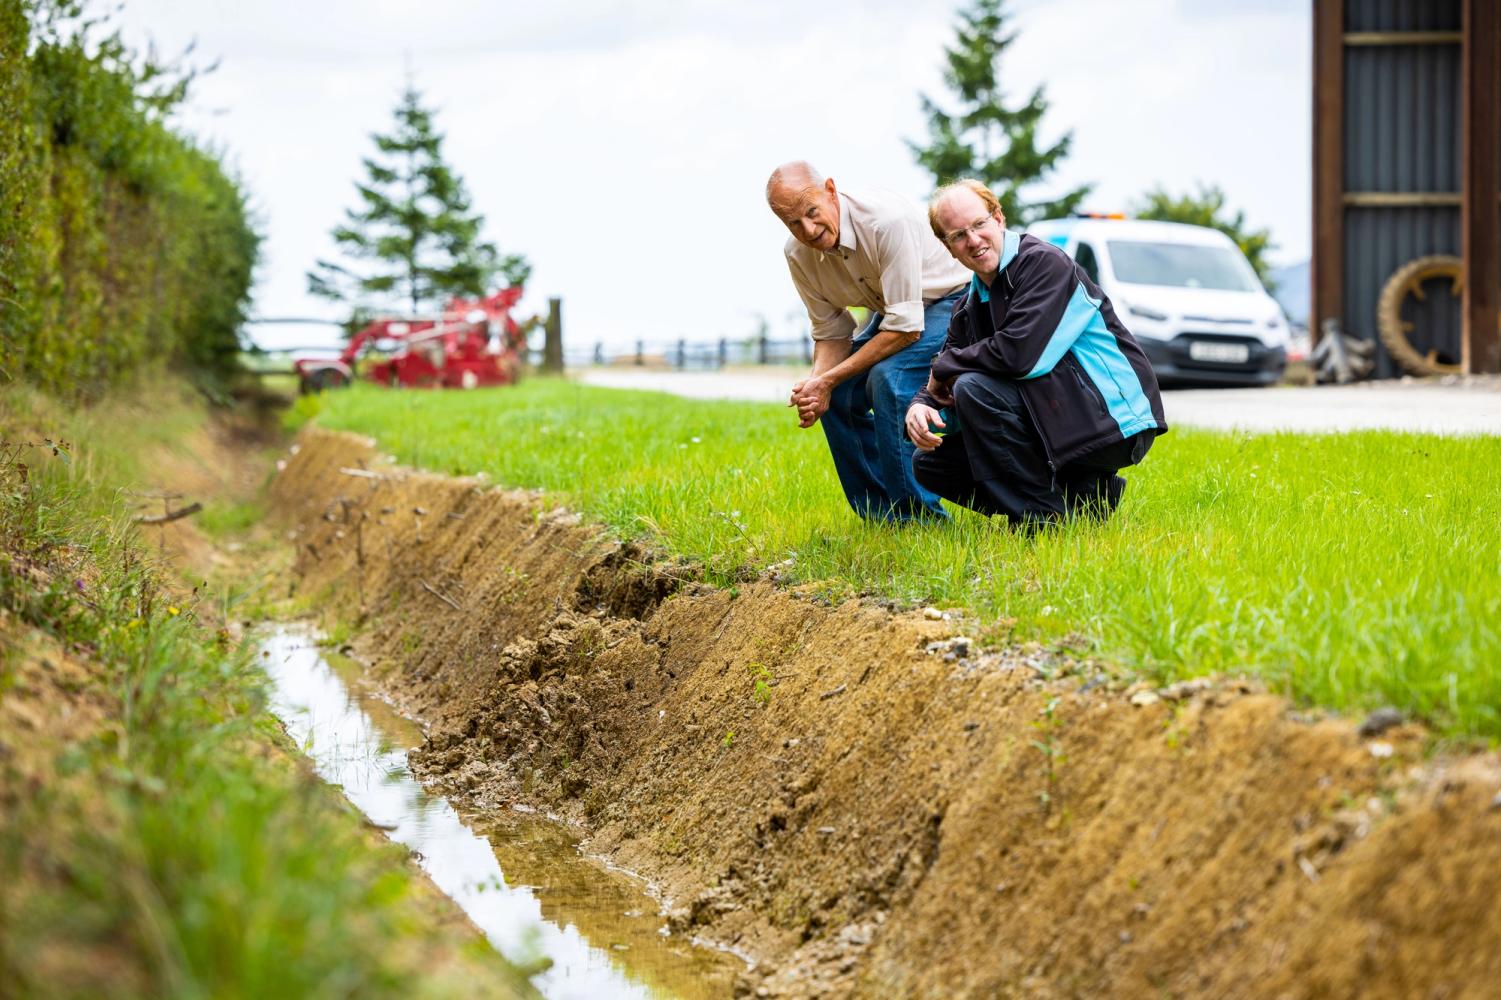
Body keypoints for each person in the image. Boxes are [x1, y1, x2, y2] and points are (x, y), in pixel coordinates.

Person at [904, 179, 1167, 527]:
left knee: (974, 389)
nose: (973, 240)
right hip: (1058, 421)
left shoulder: (1043, 264)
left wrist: (942, 371)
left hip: (1113, 423)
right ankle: (1085, 497)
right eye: (958, 235)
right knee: (931, 464)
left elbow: (1019, 356)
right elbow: (952, 358)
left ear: (998, 218)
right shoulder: (970, 305)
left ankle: (1041, 520)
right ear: (947, 246)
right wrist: (921, 405)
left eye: (979, 224)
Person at [766, 161, 969, 521]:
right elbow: (831, 333)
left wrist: (828, 379)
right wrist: (818, 385)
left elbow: (906, 330)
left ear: (830, 190)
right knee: (839, 395)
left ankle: (919, 518)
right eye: (793, 223)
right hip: (894, 311)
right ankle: (881, 515)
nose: (808, 229)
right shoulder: (797, 254)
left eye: (812, 213)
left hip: (952, 300)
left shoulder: (886, 222)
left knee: (889, 380)